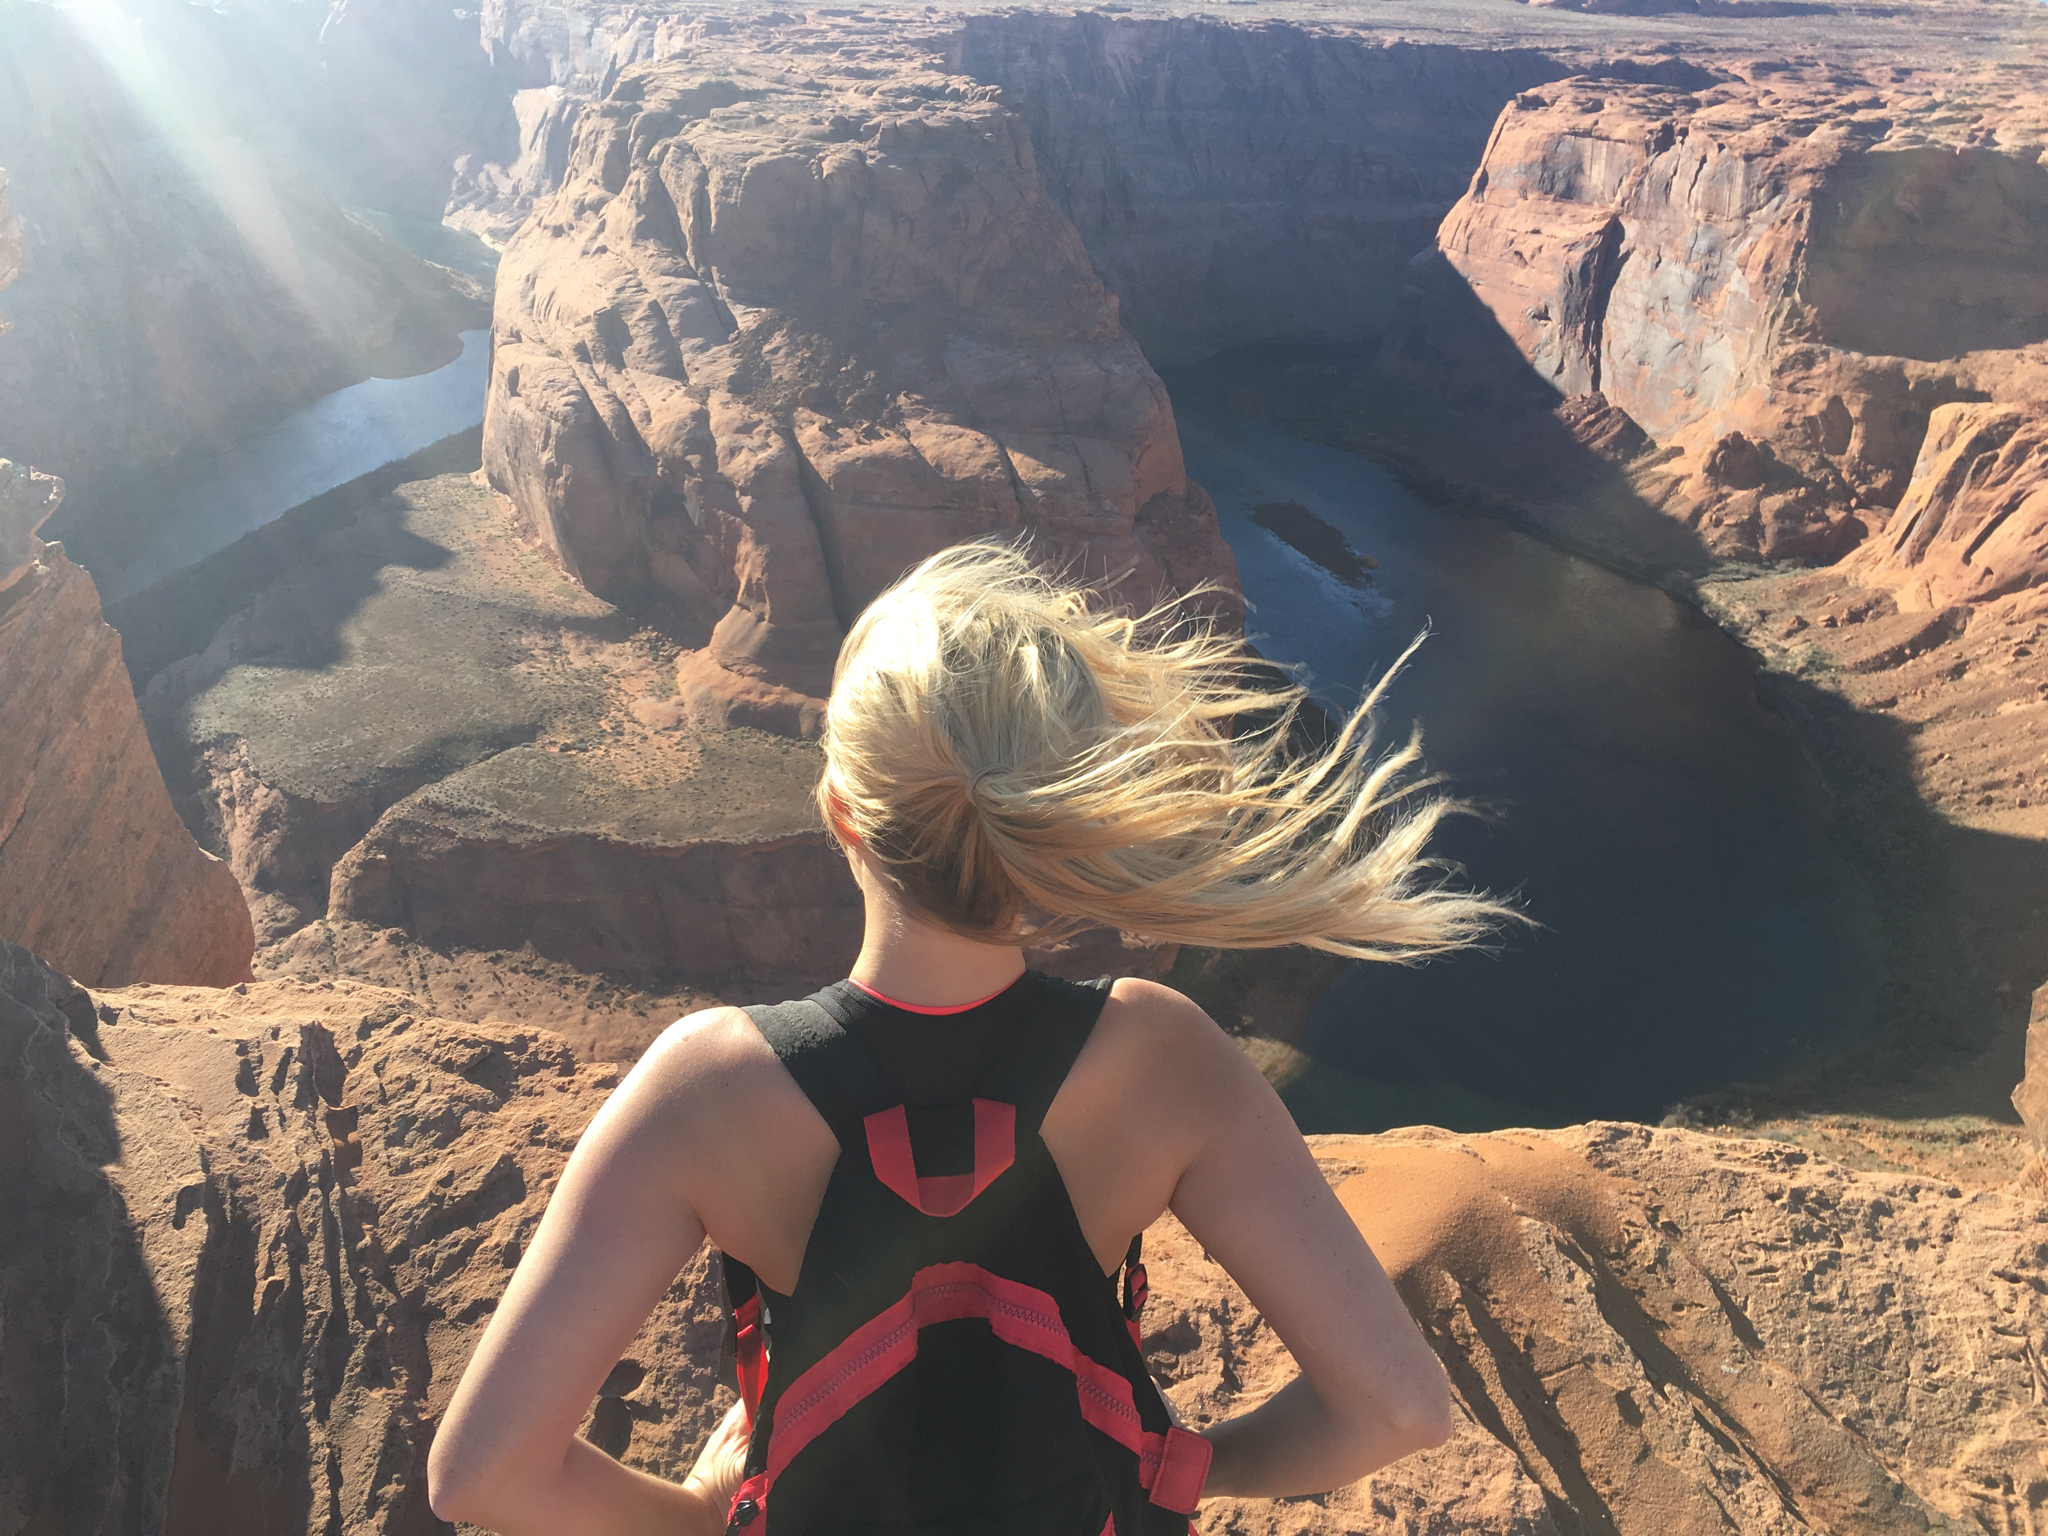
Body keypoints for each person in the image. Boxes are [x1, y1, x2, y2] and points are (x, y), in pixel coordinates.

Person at [428, 541, 1515, 1536]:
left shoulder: (703, 1089)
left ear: (841, 811)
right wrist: (1175, 1465)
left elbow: (483, 1478)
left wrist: (706, 1510)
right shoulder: (1163, 1057)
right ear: (1056, 827)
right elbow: (1397, 1410)